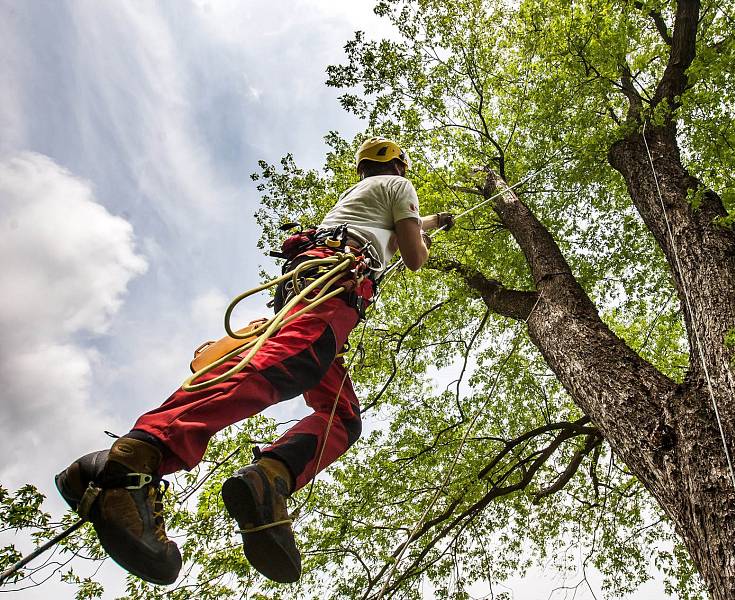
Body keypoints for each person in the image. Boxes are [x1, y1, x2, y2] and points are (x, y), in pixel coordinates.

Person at [55, 137, 454, 586]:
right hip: (336, 279)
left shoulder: (363, 195)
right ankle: (139, 457)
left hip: (320, 280)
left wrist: (436, 221)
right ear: (398, 164)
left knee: (342, 417)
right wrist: (426, 236)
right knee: (289, 362)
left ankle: (270, 479)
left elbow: (407, 230)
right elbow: (413, 255)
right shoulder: (398, 187)